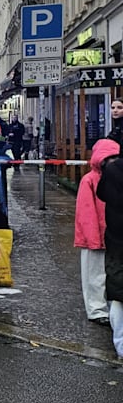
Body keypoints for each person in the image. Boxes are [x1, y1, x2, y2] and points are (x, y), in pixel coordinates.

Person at [77, 139, 118, 326]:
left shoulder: (106, 178)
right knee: (94, 275)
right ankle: (96, 309)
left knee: (106, 274)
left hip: (110, 235)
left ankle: (103, 308)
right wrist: (93, 238)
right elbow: (86, 213)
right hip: (93, 236)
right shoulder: (90, 180)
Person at [96, 147, 123, 357]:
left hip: (116, 239)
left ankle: (121, 346)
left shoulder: (113, 170)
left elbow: (102, 193)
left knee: (118, 292)